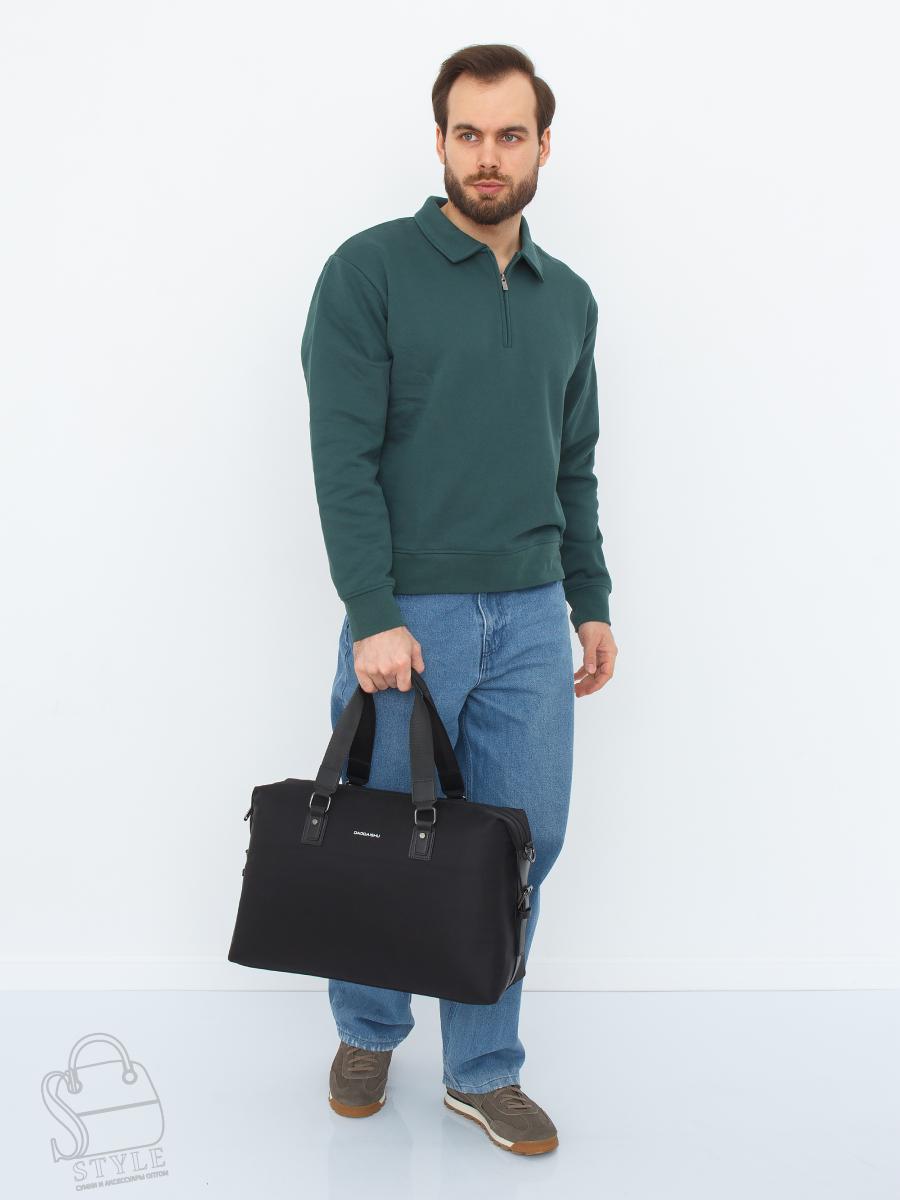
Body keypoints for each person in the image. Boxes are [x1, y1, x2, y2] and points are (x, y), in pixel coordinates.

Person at [300, 42, 618, 1156]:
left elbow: (572, 465)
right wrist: (373, 610)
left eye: (511, 135)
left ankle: (483, 1069)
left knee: (520, 848)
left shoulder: (568, 299)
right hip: (413, 615)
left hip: (531, 615)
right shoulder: (369, 271)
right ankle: (369, 1029)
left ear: (543, 145)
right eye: (469, 134)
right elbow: (341, 458)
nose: (490, 157)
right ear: (439, 141)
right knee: (384, 836)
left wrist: (589, 598)